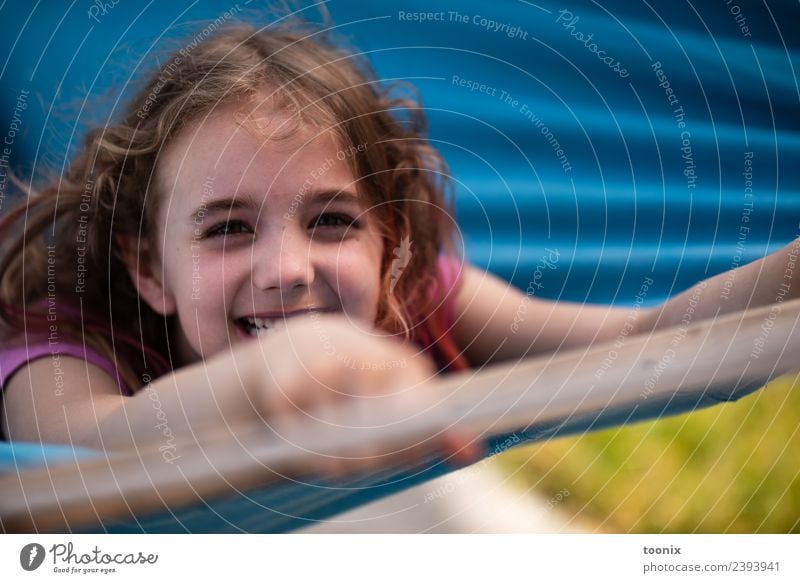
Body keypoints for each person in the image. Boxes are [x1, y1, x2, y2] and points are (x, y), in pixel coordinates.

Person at [0, 18, 797, 472]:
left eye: (333, 221)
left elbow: (647, 346)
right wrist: (277, 373)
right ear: (149, 268)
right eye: (228, 228)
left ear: (393, 242)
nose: (287, 268)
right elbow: (84, 441)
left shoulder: (421, 300)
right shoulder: (61, 339)